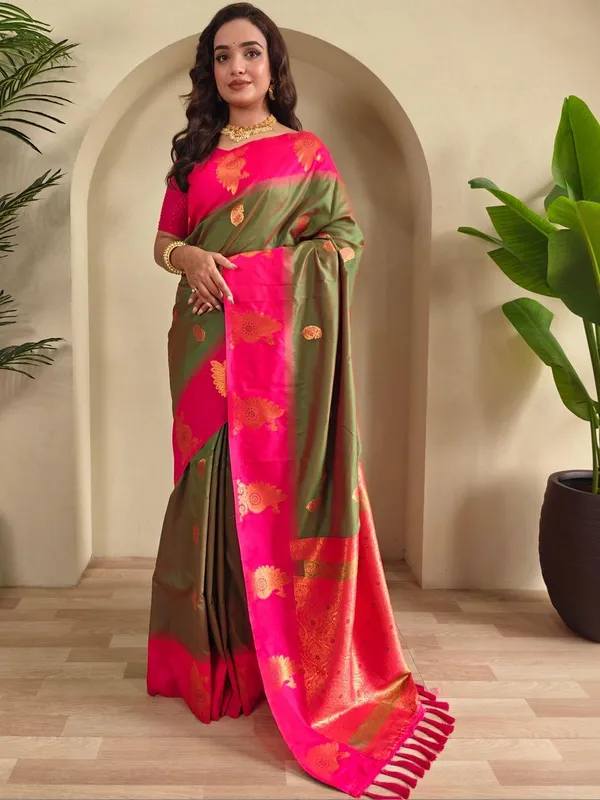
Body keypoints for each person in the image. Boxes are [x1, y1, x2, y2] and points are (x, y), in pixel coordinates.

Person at [147, 4, 454, 797]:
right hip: (202, 342)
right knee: (206, 486)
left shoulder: (305, 153)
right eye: (222, 56)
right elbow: (163, 241)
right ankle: (213, 660)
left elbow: (342, 243)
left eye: (250, 53)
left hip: (275, 355)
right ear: (209, 70)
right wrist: (188, 259)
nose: (237, 67)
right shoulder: (192, 154)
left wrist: (251, 272)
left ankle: (274, 658)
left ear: (272, 65)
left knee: (271, 489)